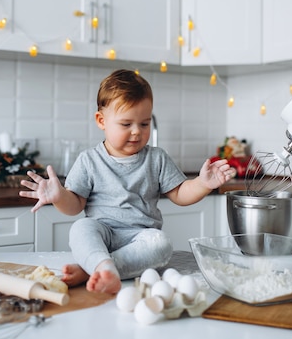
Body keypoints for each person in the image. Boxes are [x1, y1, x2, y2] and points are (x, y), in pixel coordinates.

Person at [19, 69, 235, 294]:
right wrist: (58, 196)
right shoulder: (89, 160)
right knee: (81, 228)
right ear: (101, 121)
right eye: (126, 124)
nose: (136, 132)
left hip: (141, 238)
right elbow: (74, 206)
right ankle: (103, 265)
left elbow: (180, 194)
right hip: (102, 231)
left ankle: (96, 269)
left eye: (144, 124)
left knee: (161, 244)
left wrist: (202, 183)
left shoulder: (156, 158)